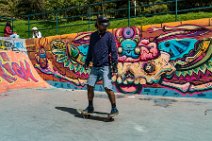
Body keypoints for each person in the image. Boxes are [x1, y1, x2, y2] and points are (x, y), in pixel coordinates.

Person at [83, 16, 119, 115]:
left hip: (105, 66)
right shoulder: (93, 36)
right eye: (103, 24)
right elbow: (91, 49)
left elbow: (114, 51)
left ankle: (114, 108)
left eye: (106, 24)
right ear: (98, 24)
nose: (105, 26)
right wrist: (87, 61)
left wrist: (114, 64)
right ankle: (90, 107)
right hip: (95, 66)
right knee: (90, 86)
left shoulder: (109, 36)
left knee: (108, 87)